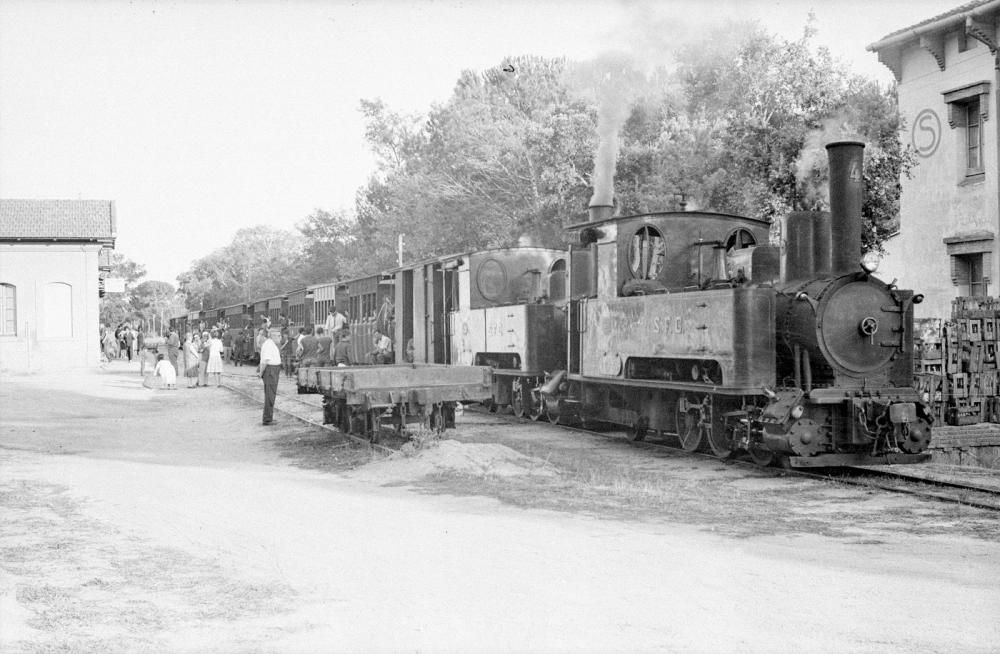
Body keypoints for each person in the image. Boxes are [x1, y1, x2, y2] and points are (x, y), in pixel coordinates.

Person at [258, 328, 282, 425]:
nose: (280, 338)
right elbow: (265, 361)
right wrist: (261, 373)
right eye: (278, 336)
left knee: (271, 394)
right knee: (270, 395)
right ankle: (267, 419)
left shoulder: (271, 344)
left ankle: (269, 417)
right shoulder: (268, 345)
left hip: (273, 370)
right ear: (273, 336)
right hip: (270, 370)